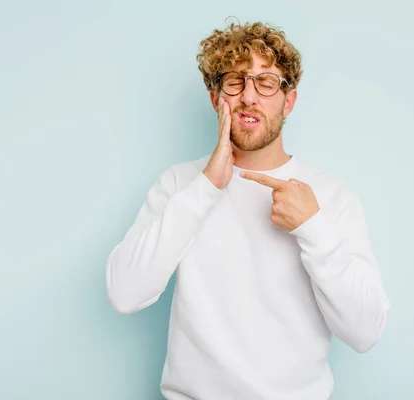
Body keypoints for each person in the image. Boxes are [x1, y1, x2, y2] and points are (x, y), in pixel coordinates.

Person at [106, 21, 390, 400]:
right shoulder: (180, 184)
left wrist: (314, 227)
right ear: (215, 98)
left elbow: (365, 332)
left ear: (288, 100)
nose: (249, 97)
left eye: (266, 83)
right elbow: (125, 293)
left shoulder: (331, 196)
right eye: (235, 82)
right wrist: (207, 186)